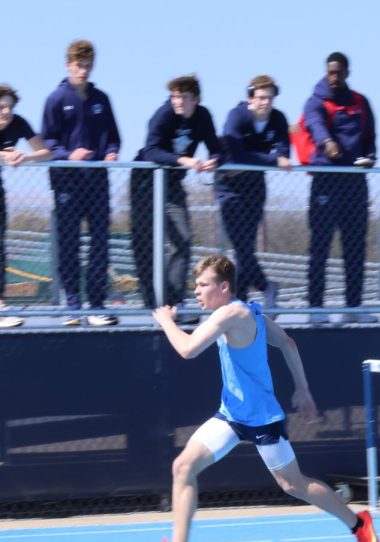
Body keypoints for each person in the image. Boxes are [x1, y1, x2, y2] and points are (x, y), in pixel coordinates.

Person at [136, 254, 379, 542]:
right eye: (195, 285)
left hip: (262, 418)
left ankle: (359, 524)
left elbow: (187, 349)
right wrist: (302, 389)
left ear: (224, 287)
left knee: (293, 485)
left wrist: (166, 321)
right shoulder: (249, 312)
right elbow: (288, 343)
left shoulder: (232, 315)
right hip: (232, 416)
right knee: (183, 467)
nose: (196, 291)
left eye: (202, 285)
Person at [40, 39, 121, 327]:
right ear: (68, 65)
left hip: (97, 183)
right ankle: (73, 306)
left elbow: (114, 136)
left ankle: (97, 305)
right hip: (67, 186)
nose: (83, 71)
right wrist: (68, 155)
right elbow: (46, 143)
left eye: (88, 65)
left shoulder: (102, 99)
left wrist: (111, 151)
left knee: (100, 245)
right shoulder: (56, 99)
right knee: (69, 245)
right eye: (78, 65)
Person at [131, 75, 224, 324]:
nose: (178, 101)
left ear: (196, 99)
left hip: (172, 185)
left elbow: (215, 145)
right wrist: (183, 160)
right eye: (174, 96)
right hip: (145, 181)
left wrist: (215, 158)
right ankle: (153, 303)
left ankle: (174, 301)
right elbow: (151, 150)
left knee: (182, 240)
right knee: (144, 243)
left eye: (183, 96)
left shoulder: (203, 116)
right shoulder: (163, 115)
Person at [303, 52, 377, 323]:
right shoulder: (316, 100)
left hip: (355, 182)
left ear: (347, 73)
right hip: (326, 181)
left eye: (338, 73)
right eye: (330, 73)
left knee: (355, 246)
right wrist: (327, 142)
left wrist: (370, 157)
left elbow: (370, 137)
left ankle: (354, 307)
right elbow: (314, 123)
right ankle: (315, 307)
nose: (333, 78)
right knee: (320, 245)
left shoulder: (360, 101)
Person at [218, 75, 290, 306]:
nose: (265, 102)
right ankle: (264, 286)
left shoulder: (278, 119)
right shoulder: (236, 116)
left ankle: (242, 301)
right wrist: (270, 160)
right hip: (229, 187)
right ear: (250, 98)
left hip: (255, 187)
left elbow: (284, 151)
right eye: (260, 97)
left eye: (269, 98)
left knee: (245, 248)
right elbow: (238, 155)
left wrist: (260, 161)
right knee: (241, 244)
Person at [0, 83, 51, 329]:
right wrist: (4, 155)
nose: (5, 112)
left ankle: (0, 307)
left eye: (8, 107)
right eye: (0, 107)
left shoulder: (18, 122)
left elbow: (45, 152)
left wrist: (24, 156)